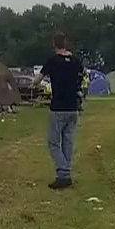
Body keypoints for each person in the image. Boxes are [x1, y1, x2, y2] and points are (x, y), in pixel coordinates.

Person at [33, 32, 84, 189]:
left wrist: (34, 83)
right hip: (73, 107)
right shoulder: (76, 61)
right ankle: (66, 173)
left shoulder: (52, 61)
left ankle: (63, 172)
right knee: (68, 141)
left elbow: (37, 81)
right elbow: (83, 76)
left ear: (54, 44)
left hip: (58, 107)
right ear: (66, 43)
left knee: (53, 142)